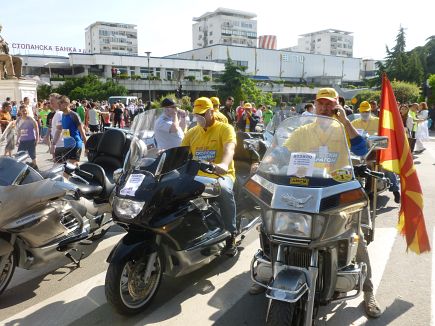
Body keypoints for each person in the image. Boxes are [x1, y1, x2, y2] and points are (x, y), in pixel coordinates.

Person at [250, 88, 382, 319]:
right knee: (272, 226)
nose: (325, 108)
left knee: (356, 236)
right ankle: (268, 273)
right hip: (302, 188)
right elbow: (282, 152)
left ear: (337, 105)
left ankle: (369, 291)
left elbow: (361, 149)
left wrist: (344, 120)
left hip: (334, 191)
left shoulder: (342, 129)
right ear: (315, 104)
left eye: (330, 104)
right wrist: (265, 161)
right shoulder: (303, 130)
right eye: (321, 104)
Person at [181, 97, 238, 256]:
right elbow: (180, 153)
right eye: (196, 115)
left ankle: (230, 234)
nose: (198, 118)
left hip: (219, 176)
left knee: (225, 191)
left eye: (202, 114)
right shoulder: (192, 132)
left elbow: (229, 149)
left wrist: (224, 165)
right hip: (196, 177)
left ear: (211, 112)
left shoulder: (225, 129)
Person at [352, 101, 400, 203]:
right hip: (361, 153)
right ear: (359, 111)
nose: (365, 113)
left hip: (377, 150)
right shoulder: (354, 123)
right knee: (356, 169)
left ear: (370, 111)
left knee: (386, 167)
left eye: (367, 111)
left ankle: (395, 190)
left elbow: (386, 134)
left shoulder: (378, 121)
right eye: (363, 111)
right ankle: (365, 191)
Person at [51, 96, 87, 165]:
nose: (58, 105)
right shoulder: (63, 115)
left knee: (68, 171)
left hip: (75, 145)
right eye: (58, 103)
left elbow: (82, 133)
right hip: (67, 145)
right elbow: (63, 131)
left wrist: (86, 148)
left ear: (66, 104)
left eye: (60, 103)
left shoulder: (74, 115)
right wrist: (54, 144)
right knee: (73, 167)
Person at [17, 104, 39, 168]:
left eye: (26, 111)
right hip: (22, 141)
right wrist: (17, 140)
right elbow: (19, 131)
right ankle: (20, 168)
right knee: (19, 155)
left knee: (32, 155)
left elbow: (36, 129)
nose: (25, 112)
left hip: (31, 140)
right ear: (20, 111)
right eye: (23, 111)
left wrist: (37, 139)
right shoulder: (19, 120)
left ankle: (35, 167)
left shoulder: (31, 119)